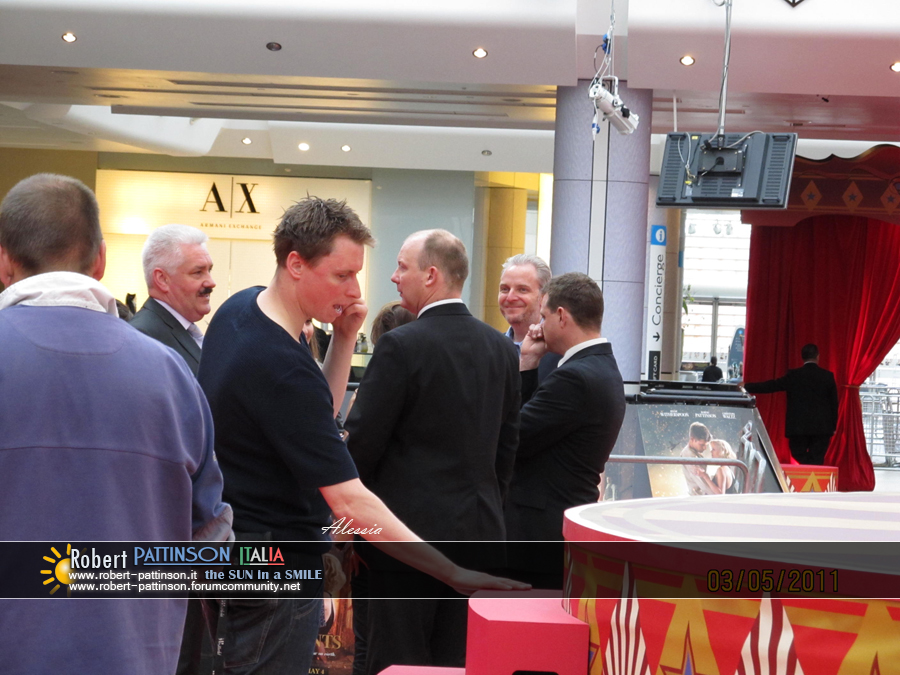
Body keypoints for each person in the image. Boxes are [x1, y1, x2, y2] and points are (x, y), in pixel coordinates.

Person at [198, 201, 525, 675]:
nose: (355, 290)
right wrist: (452, 571)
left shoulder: (242, 307)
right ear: (296, 264)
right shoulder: (278, 365)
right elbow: (349, 498)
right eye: (342, 275)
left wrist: (345, 336)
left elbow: (313, 413)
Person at [0, 173, 232, 675]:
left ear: (4, 261)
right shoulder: (170, 374)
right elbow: (211, 543)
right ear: (100, 260)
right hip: (134, 654)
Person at [345, 229, 521, 675]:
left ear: (431, 275)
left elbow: (362, 444)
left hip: (405, 540)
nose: (393, 276)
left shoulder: (400, 345)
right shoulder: (502, 349)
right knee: (462, 662)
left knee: (397, 660)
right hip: (481, 534)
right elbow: (506, 450)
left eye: (402, 266)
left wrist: (354, 526)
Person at [505, 272, 626, 544]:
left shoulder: (574, 378)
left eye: (543, 317)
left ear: (561, 316)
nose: (539, 327)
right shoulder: (603, 367)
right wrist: (528, 361)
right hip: (563, 518)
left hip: (540, 529)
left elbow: (514, 437)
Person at [130, 223, 216, 376]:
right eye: (198, 272)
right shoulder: (143, 338)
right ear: (162, 279)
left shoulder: (181, 330)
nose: (211, 282)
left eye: (209, 270)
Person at [743, 343, 839, 465]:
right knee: (817, 458)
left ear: (802, 357)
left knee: (798, 453)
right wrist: (833, 426)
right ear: (818, 356)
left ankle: (807, 469)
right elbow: (834, 403)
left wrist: (747, 386)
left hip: (798, 427)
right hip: (822, 427)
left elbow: (772, 385)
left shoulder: (794, 375)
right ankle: (812, 471)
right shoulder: (827, 376)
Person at [498, 253, 560, 379]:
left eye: (522, 289)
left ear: (544, 297)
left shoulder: (560, 351)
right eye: (505, 289)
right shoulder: (489, 348)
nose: (510, 298)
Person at [680, 422, 713, 495]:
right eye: (702, 445)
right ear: (692, 439)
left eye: (706, 445)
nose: (705, 448)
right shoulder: (690, 457)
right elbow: (704, 486)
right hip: (700, 497)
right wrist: (719, 495)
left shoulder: (693, 451)